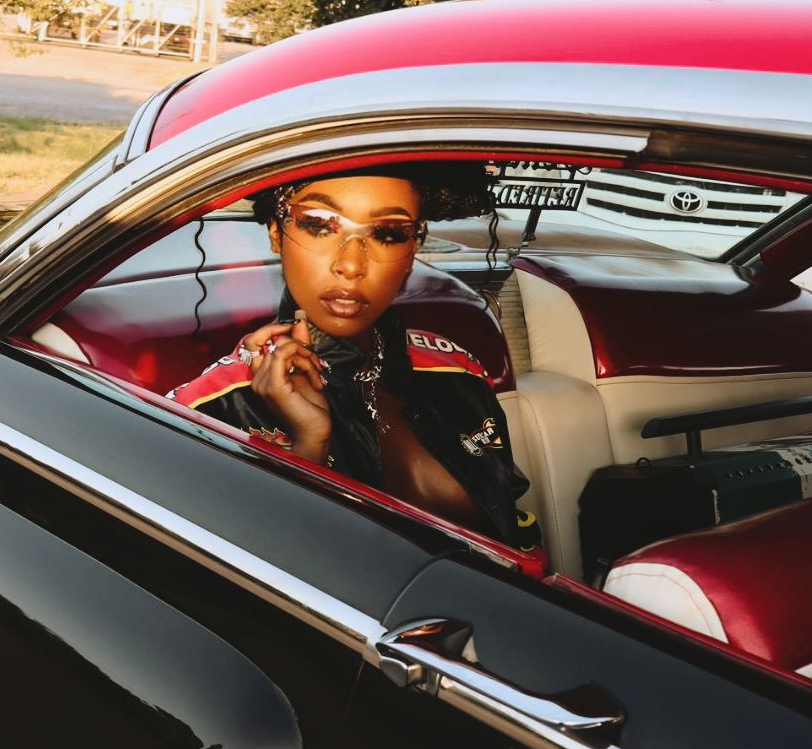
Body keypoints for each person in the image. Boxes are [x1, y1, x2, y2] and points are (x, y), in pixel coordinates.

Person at [168, 163, 540, 551]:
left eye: (388, 233)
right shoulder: (207, 413)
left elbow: (517, 533)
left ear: (413, 250)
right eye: (319, 225)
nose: (350, 265)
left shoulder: (459, 372)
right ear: (277, 234)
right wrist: (308, 452)